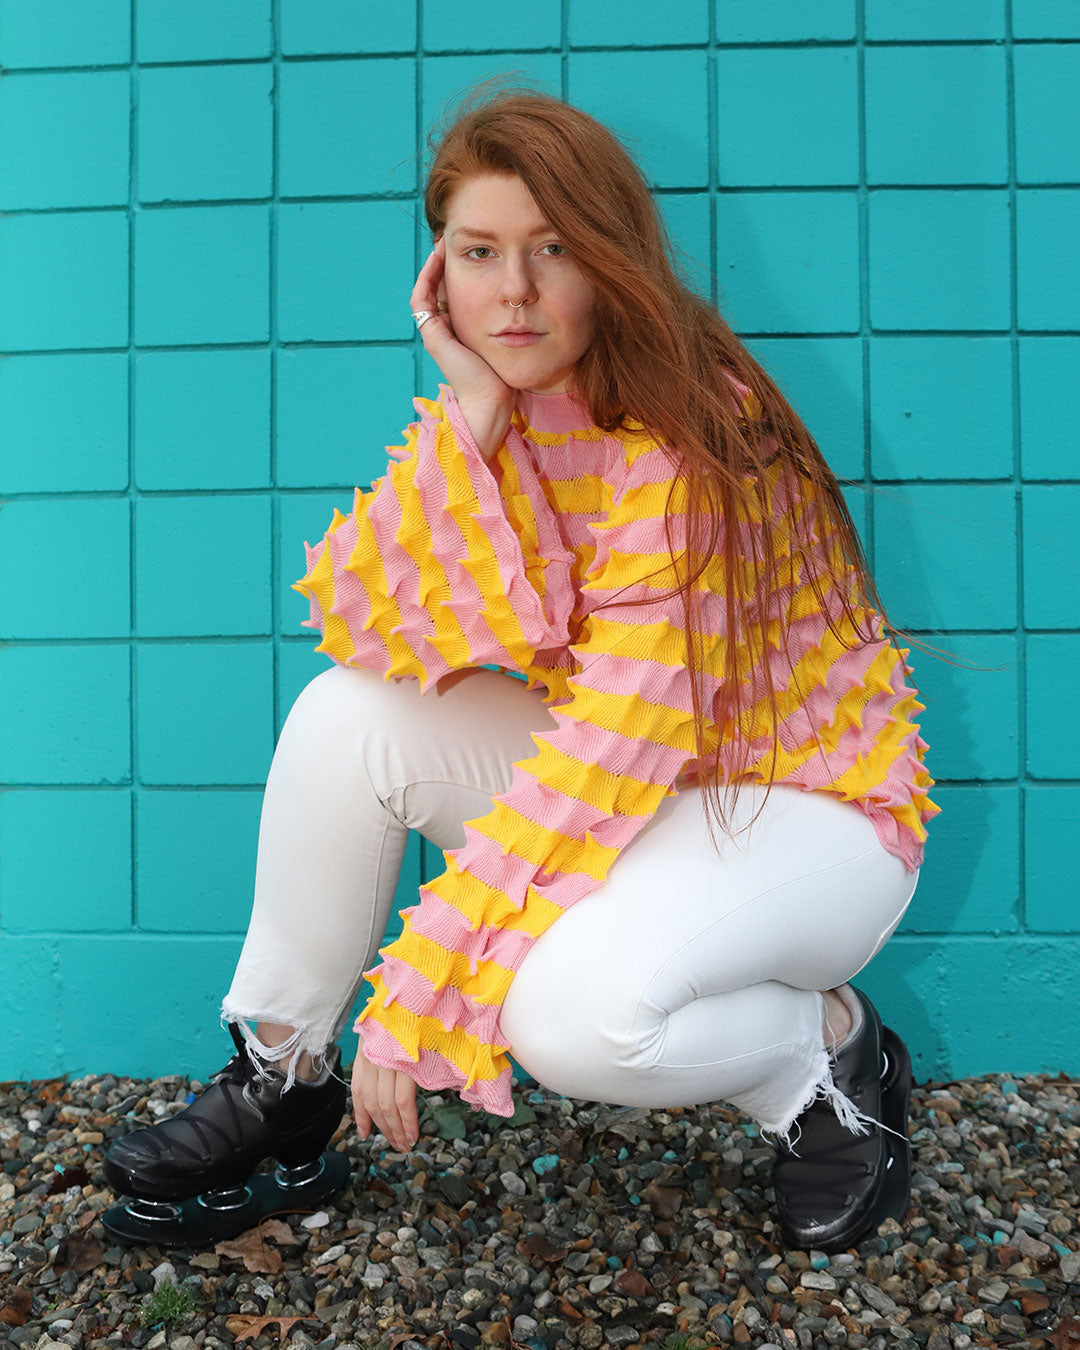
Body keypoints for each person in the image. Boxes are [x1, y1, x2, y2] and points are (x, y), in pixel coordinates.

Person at [104, 83, 939, 1254]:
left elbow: (610, 750)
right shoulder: (519, 408)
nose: (516, 290)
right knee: (352, 716)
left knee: (570, 1020)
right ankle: (284, 1075)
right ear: (439, 269)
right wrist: (473, 417)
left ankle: (827, 1062)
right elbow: (373, 624)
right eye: (480, 250)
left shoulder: (692, 443)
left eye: (554, 249)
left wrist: (419, 996)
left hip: (804, 819)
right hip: (658, 800)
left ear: (613, 259)